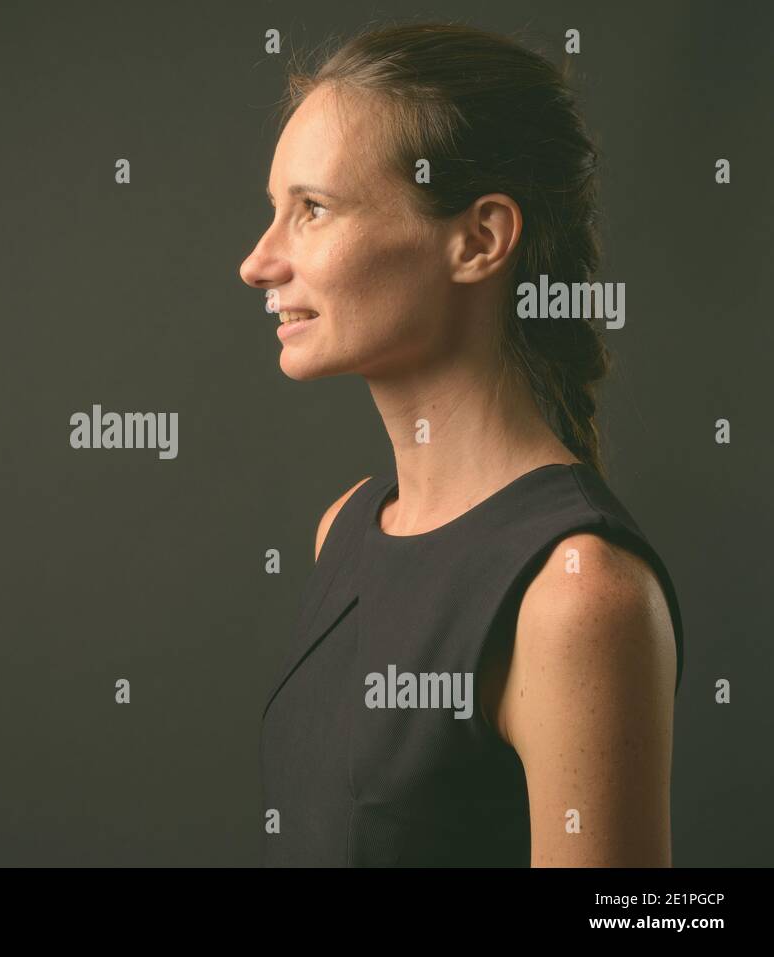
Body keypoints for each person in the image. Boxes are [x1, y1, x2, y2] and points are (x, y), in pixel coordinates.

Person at [239, 22, 684, 866]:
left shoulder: (576, 594)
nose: (259, 262)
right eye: (275, 212)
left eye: (314, 210)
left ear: (480, 239)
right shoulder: (346, 530)